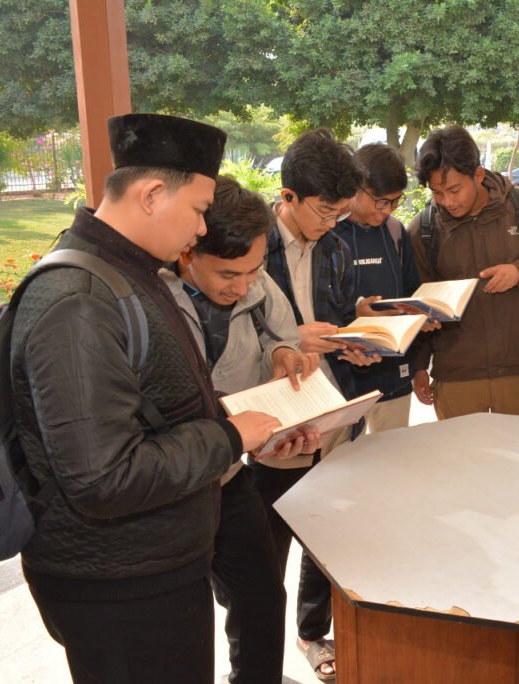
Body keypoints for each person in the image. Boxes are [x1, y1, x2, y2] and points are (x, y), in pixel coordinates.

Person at [8, 113, 281, 683]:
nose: (202, 229)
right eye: (199, 209)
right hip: (119, 585)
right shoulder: (79, 300)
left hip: (150, 567)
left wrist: (235, 418)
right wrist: (229, 435)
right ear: (153, 194)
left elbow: (155, 408)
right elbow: (103, 477)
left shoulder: (128, 273)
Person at [162, 176, 322, 684]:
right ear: (188, 251)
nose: (244, 286)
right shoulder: (152, 296)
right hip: (171, 488)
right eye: (229, 274)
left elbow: (279, 331)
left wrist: (283, 353)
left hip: (230, 476)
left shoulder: (254, 279)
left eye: (254, 270)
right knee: (181, 621)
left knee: (262, 596)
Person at [257, 127, 376, 682]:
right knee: (265, 552)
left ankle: (312, 631)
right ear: (288, 196)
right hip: (273, 416)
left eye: (340, 212)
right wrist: (291, 339)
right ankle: (257, 658)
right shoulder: (248, 245)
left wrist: (355, 341)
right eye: (325, 212)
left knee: (327, 531)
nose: (333, 222)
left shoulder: (336, 247)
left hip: (331, 405)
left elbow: (337, 320)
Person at [408, 126, 519, 419]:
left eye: (454, 190)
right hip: (456, 376)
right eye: (437, 192)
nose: (447, 201)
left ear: (478, 175)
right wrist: (418, 366)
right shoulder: (424, 229)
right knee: (461, 451)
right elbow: (416, 303)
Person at [333, 143, 433, 432]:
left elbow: (411, 292)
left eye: (395, 201)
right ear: (355, 187)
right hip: (342, 384)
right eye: (380, 201)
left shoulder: (394, 231)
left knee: (393, 456)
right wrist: (355, 315)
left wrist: (421, 317)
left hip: (393, 379)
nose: (386, 210)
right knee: (345, 459)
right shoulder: (327, 232)